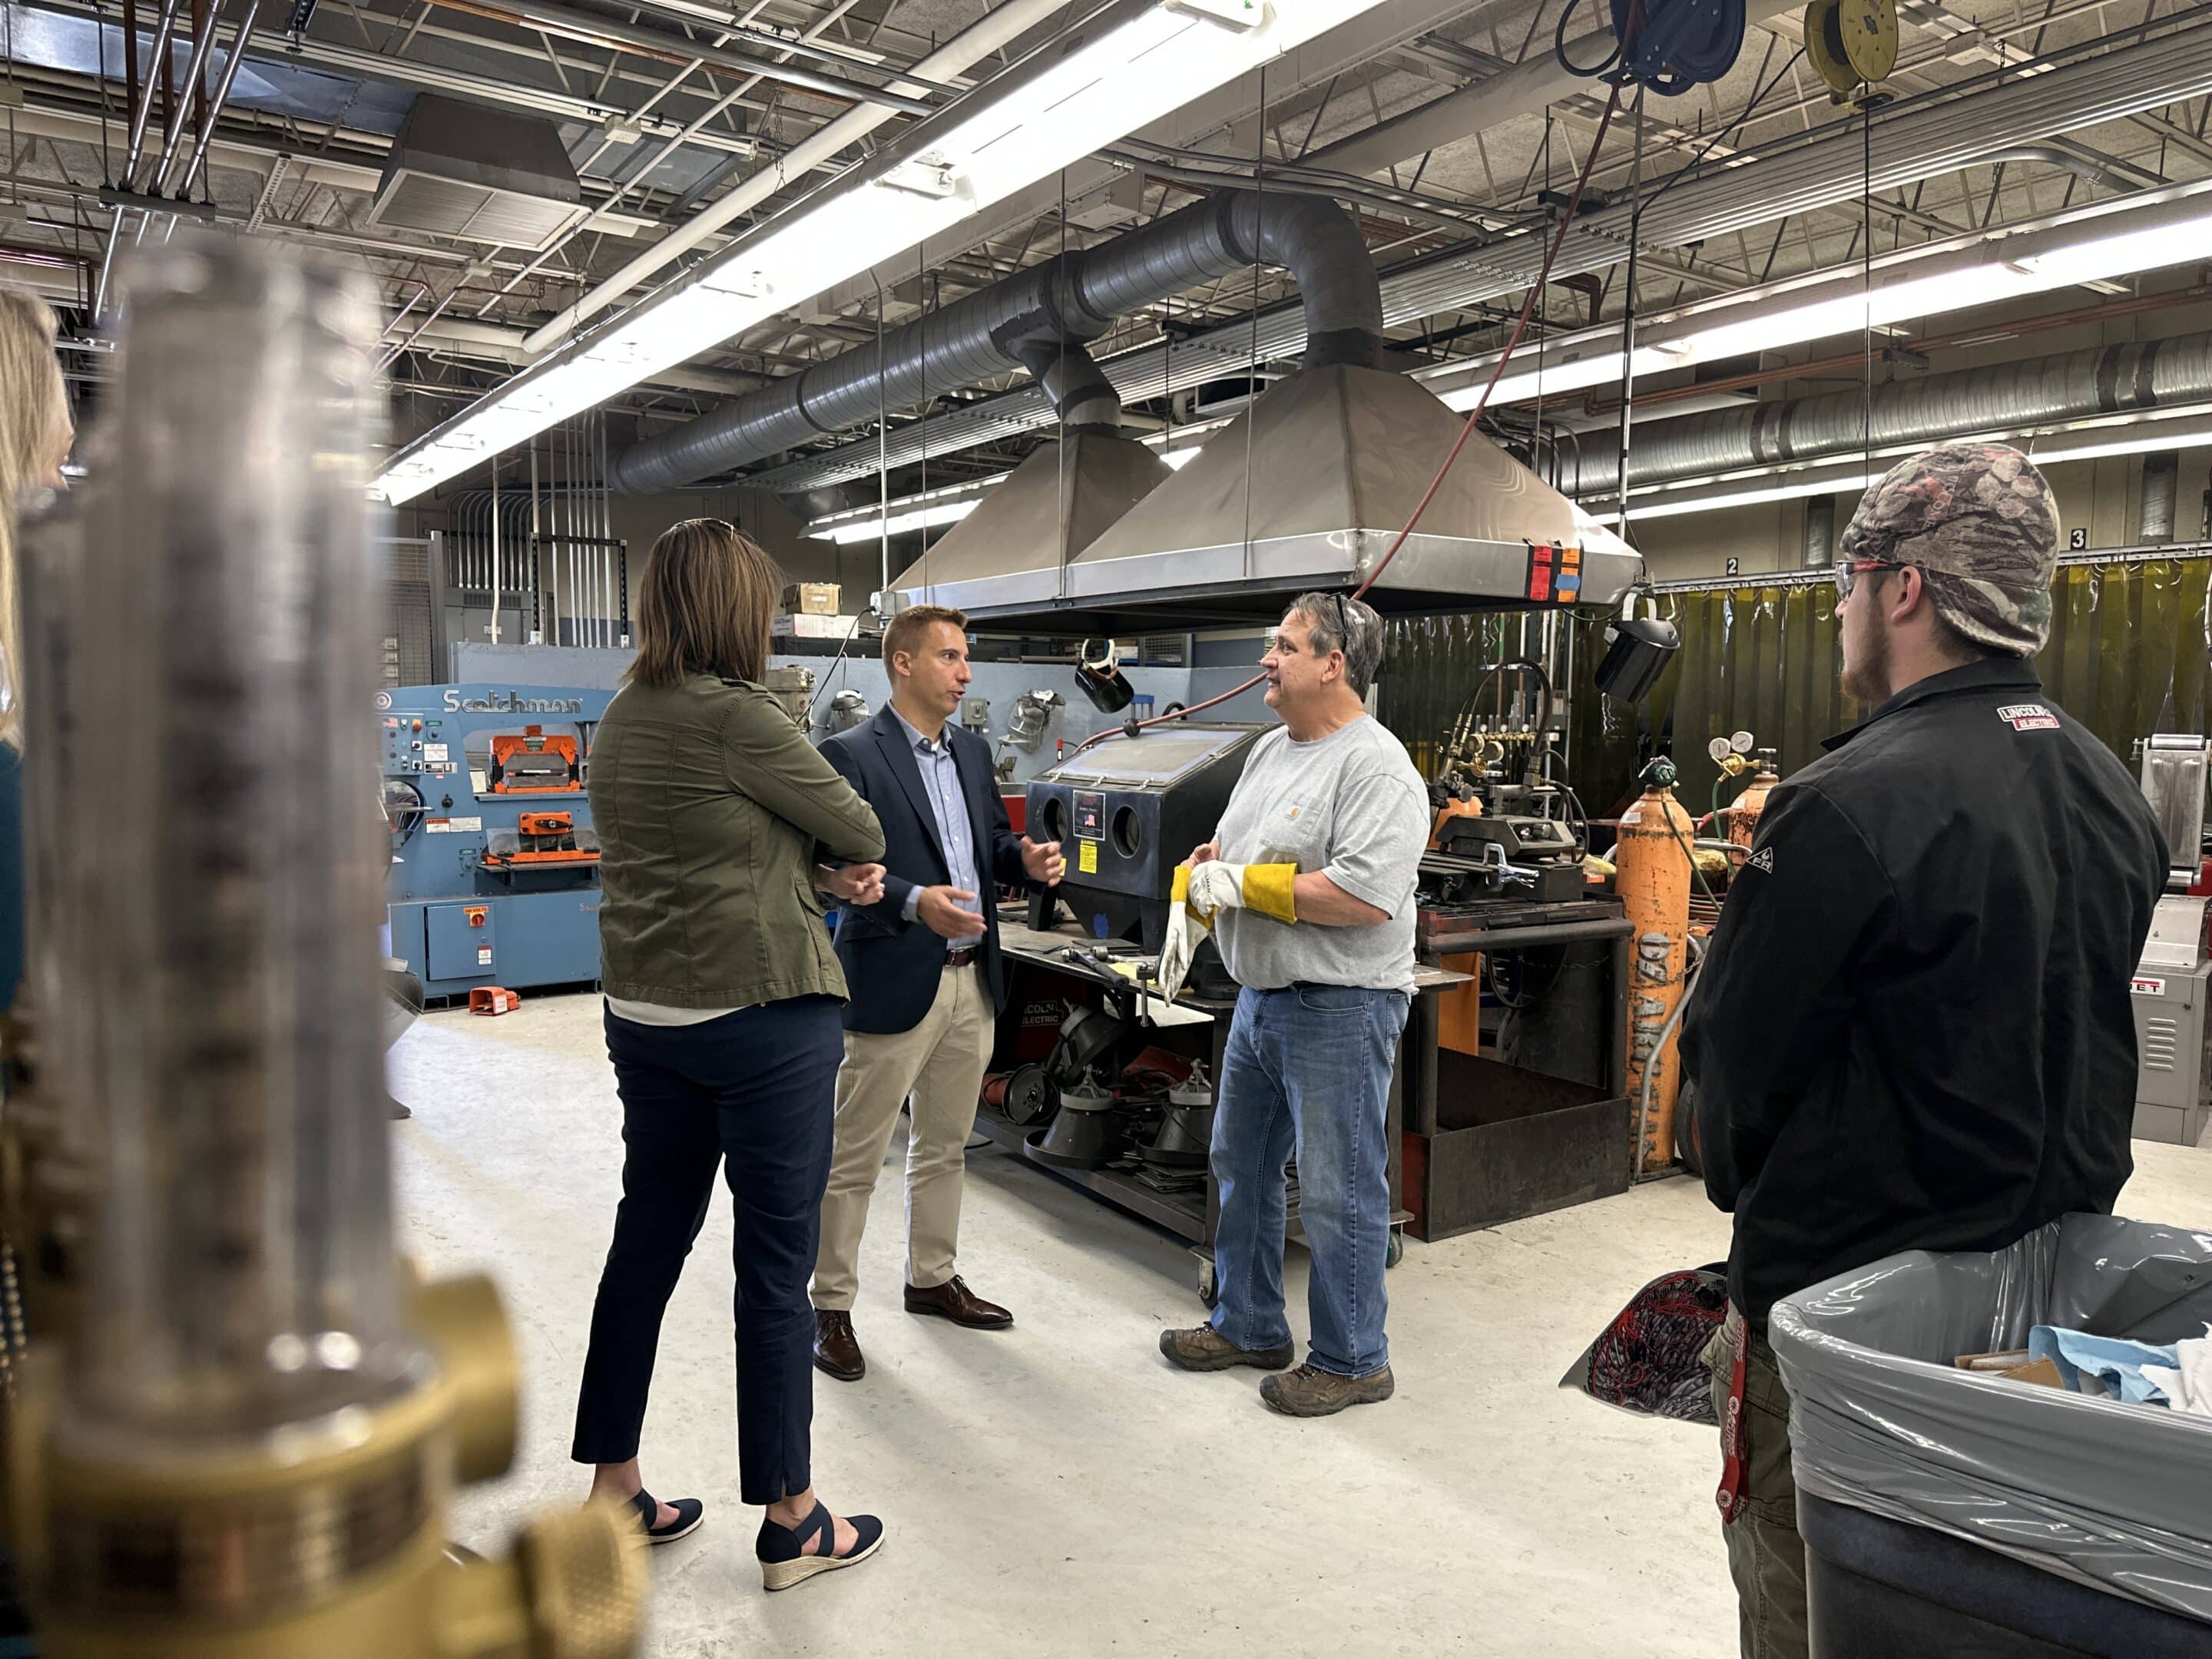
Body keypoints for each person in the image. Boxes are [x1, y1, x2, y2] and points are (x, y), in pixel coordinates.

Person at [1682, 443, 2168, 1659]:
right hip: (2037, 1309)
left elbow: (1735, 1074)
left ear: (1902, 588)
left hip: (1844, 1314)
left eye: (1848, 581)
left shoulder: (1844, 802)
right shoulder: (2110, 789)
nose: (1841, 610)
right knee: (1971, 1602)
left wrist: (1749, 1204)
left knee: (1813, 1591)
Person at [571, 518, 896, 1591]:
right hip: (758, 1017)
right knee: (773, 1265)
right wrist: (832, 866)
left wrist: (806, 871)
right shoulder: (737, 715)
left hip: (645, 1015)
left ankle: (614, 1486)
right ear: (735, 610)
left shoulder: (623, 715)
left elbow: (708, 847)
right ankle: (792, 1517)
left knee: (646, 1243)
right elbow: (860, 826)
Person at [1155, 592, 1429, 1418]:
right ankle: (1248, 1324)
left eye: (1283, 646)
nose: (1266, 660)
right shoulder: (1272, 750)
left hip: (1341, 1007)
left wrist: (1240, 883)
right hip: (1262, 999)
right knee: (1240, 1166)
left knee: (1339, 1192)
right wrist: (1213, 863)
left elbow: (1364, 897)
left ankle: (1354, 1360)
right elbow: (1246, 852)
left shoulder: (1377, 768)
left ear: (1332, 664)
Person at [809, 604, 1063, 1380]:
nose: (965, 673)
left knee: (945, 1146)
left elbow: (988, 844)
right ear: (904, 663)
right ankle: (830, 1306)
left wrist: (1025, 861)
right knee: (854, 1158)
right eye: (950, 657)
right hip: (891, 978)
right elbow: (831, 866)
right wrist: (915, 900)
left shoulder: (973, 752)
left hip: (970, 979)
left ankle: (932, 1277)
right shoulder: (851, 753)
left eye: (965, 657)